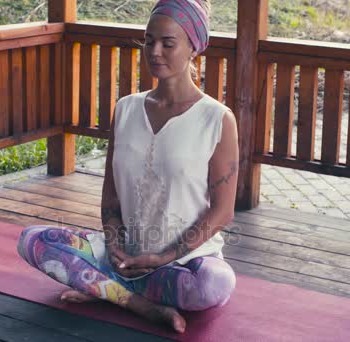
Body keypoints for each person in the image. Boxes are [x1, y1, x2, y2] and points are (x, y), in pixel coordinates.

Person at [17, 0, 238, 333]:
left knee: (213, 284)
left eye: (168, 43)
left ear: (194, 47)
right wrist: (117, 246)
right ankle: (139, 304)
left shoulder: (217, 119)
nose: (155, 51)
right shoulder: (126, 109)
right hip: (123, 256)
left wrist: (162, 257)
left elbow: (222, 212)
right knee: (31, 240)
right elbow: (111, 199)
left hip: (181, 263)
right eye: (149, 40)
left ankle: (102, 286)